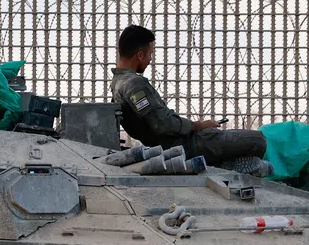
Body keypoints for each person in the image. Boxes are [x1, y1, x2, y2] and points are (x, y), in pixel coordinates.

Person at [110, 24, 272, 173]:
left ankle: (223, 164)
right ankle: (220, 166)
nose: (150, 59)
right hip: (183, 146)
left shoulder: (118, 84)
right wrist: (199, 125)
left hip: (177, 143)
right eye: (150, 54)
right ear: (140, 55)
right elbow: (163, 124)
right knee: (258, 140)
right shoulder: (134, 84)